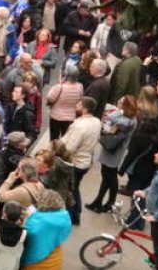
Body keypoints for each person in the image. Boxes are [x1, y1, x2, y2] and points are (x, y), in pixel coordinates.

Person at [59, 96, 101, 224]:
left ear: (85, 109)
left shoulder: (79, 125)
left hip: (75, 162)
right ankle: (76, 215)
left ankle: (72, 216)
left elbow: (70, 147)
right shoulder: (97, 122)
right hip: (86, 161)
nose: (76, 105)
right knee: (75, 188)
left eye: (79, 104)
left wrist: (58, 149)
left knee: (70, 191)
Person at [20, 189, 71, 270]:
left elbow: (23, 232)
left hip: (36, 263)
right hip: (55, 260)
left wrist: (27, 218)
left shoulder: (35, 221)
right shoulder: (63, 217)